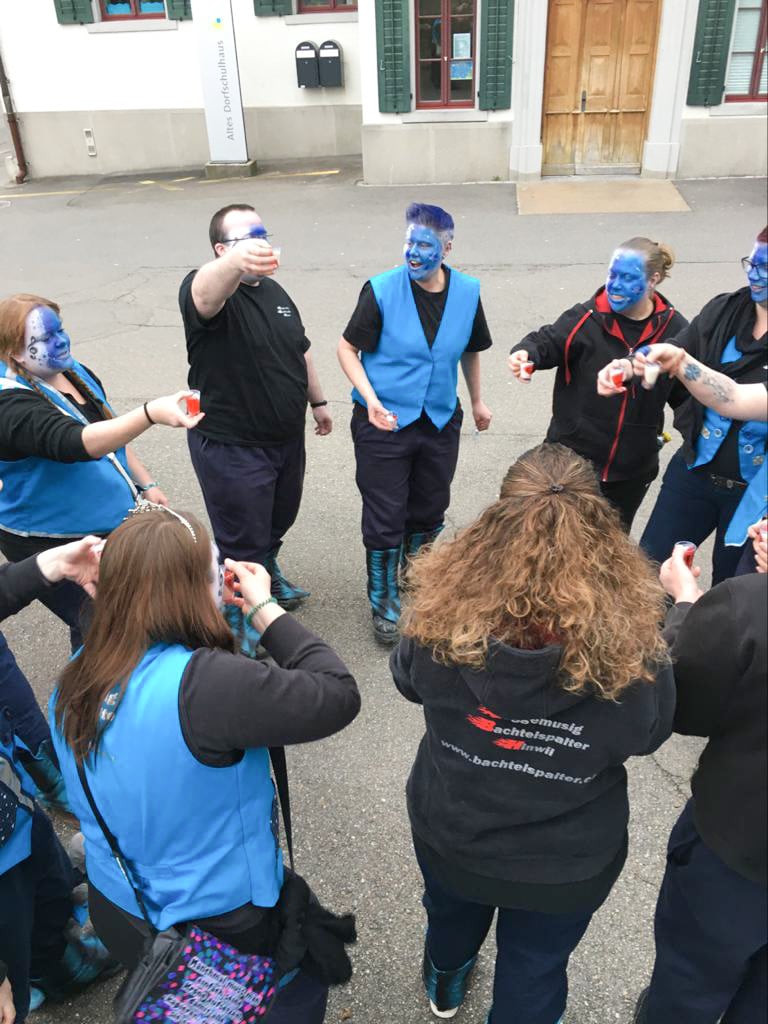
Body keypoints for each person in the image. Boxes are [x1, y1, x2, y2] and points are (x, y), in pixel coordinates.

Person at [391, 442, 675, 1024]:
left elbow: (407, 681)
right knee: (536, 969)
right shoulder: (635, 644)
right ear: (601, 530)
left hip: (453, 830)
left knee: (449, 918)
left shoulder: (438, 613)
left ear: (495, 521)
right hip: (566, 861)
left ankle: (445, 984)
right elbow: (649, 733)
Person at [49, 504, 361, 1024]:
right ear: (191, 590)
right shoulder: (204, 685)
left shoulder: (80, 669)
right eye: (214, 569)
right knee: (290, 996)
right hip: (221, 917)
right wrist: (266, 611)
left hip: (119, 901)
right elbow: (338, 694)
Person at [0, 293, 203, 650]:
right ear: (14, 353)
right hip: (51, 538)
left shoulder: (70, 371)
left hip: (105, 523)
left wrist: (146, 482)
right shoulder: (9, 403)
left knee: (109, 621)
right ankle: (92, 682)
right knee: (105, 626)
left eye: (60, 329)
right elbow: (77, 442)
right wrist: (150, 413)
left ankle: (99, 667)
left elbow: (109, 429)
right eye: (46, 338)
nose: (61, 341)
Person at [179, 203, 332, 655]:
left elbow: (300, 349)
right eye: (247, 238)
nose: (260, 243)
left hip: (284, 438)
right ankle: (238, 623)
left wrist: (318, 402)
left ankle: (265, 574)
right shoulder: (206, 289)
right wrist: (233, 263)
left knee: (278, 519)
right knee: (241, 538)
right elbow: (205, 293)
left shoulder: (275, 291)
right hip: (233, 445)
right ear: (220, 249)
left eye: (262, 234)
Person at [337, 202, 493, 643]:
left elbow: (470, 349)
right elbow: (347, 349)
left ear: (446, 248)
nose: (414, 253)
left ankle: (415, 573)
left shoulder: (467, 292)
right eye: (409, 243)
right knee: (385, 512)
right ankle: (383, 596)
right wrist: (370, 400)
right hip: (383, 420)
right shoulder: (381, 290)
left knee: (430, 506)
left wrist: (477, 401)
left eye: (424, 245)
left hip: (439, 418)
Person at [633, 545, 767, 1024]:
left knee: (689, 983)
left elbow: (680, 706)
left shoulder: (749, 605)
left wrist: (688, 603)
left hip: (735, 849)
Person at [0, 537, 119, 1024]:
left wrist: (46, 565)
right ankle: (48, 969)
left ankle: (57, 919)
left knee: (43, 860)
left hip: (10, 803)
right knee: (16, 922)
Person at [508, 238, 687, 530]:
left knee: (610, 543)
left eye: (627, 277)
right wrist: (524, 354)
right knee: (556, 539)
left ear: (653, 279)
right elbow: (546, 341)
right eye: (612, 275)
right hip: (570, 465)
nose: (614, 285)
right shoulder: (585, 317)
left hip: (631, 470)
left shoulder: (675, 330)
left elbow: (686, 397)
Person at [638, 228, 767, 583]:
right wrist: (632, 364)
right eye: (752, 263)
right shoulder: (724, 310)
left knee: (734, 595)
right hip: (694, 471)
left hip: (757, 498)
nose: (754, 275)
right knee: (648, 576)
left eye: (766, 268)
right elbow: (676, 347)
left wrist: (680, 361)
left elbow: (734, 399)